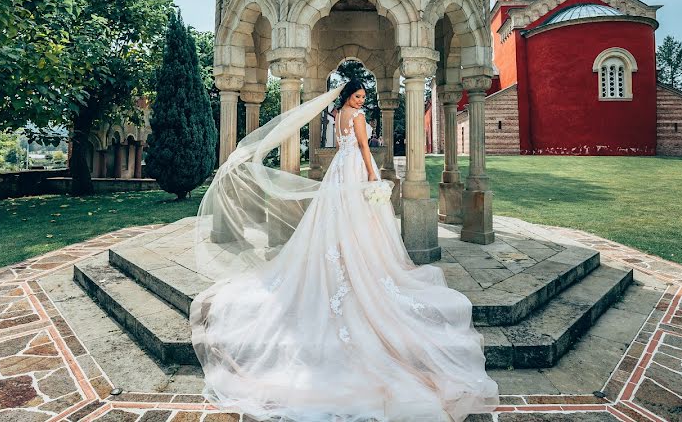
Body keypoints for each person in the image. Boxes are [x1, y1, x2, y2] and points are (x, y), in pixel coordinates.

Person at [188, 80, 499, 422]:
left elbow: (345, 143)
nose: (361, 100)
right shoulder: (360, 116)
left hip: (339, 169)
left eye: (363, 97)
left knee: (335, 224)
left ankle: (345, 260)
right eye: (358, 95)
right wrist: (373, 177)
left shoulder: (338, 114)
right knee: (355, 224)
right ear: (350, 95)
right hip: (352, 170)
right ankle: (354, 265)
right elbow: (365, 148)